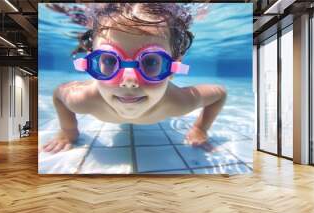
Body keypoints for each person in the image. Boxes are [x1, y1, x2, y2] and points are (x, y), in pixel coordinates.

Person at [42, 3, 226, 153]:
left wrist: (200, 128)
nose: (129, 80)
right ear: (92, 62)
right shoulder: (82, 99)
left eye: (151, 62)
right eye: (108, 60)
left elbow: (219, 94)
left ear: (173, 68)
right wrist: (68, 131)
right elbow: (59, 95)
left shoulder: (179, 102)